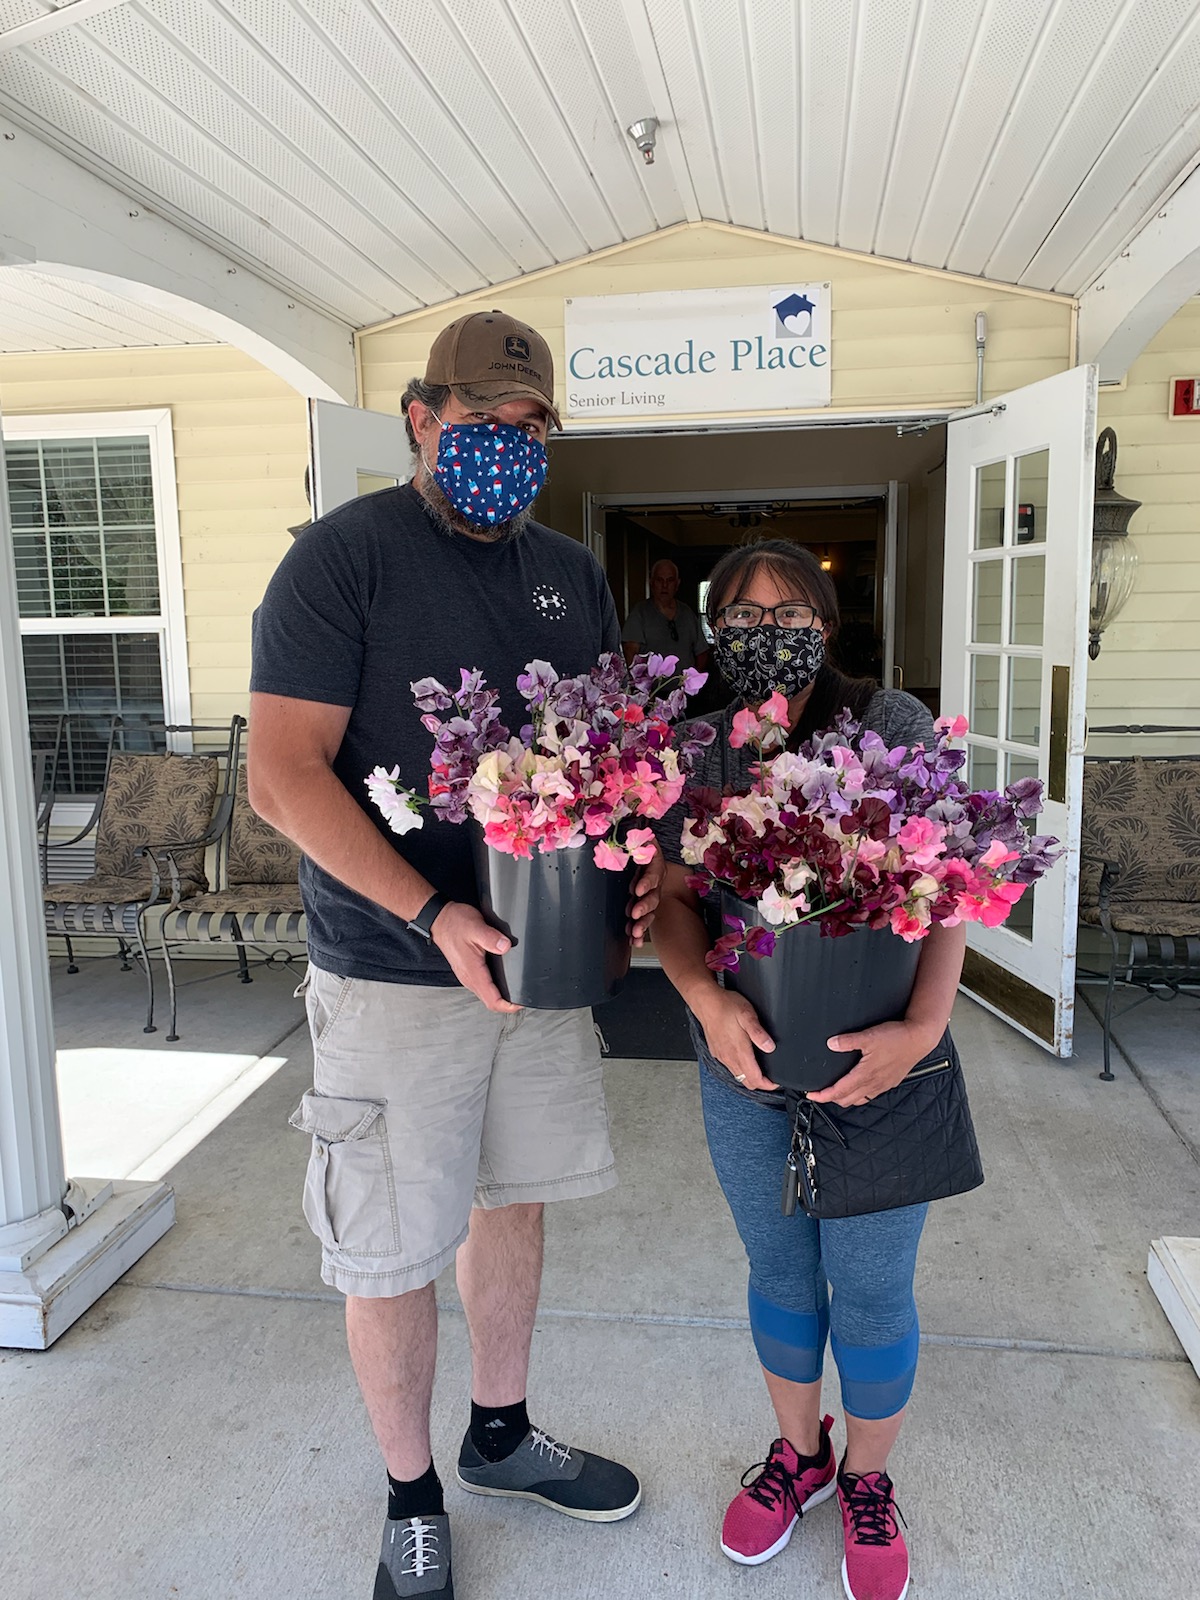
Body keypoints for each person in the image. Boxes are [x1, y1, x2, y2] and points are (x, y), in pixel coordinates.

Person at [248, 309, 657, 1600]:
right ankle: (411, 1497)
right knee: (391, 1244)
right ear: (422, 418)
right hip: (391, 974)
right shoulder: (340, 561)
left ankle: (499, 1433)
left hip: (537, 973)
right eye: (485, 424)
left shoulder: (570, 575)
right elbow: (280, 776)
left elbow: (597, 766)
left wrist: (623, 890)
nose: (510, 448)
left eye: (533, 429)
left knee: (511, 1199)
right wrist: (432, 914)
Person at [651, 539, 965, 1600]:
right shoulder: (696, 751)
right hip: (741, 1061)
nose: (765, 632)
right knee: (780, 1271)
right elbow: (675, 904)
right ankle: (801, 1456)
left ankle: (868, 1479)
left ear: (827, 625)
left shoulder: (890, 726)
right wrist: (705, 1001)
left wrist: (922, 1031)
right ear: (712, 630)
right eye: (739, 614)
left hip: (882, 1065)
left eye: (788, 612)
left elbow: (948, 884)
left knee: (872, 1289)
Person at [622, 558, 709, 672]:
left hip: (683, 688)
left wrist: (693, 681)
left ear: (677, 584)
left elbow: (702, 651)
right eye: (659, 580)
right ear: (652, 582)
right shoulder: (640, 612)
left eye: (670, 580)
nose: (664, 585)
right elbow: (630, 652)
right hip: (652, 689)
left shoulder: (687, 613)